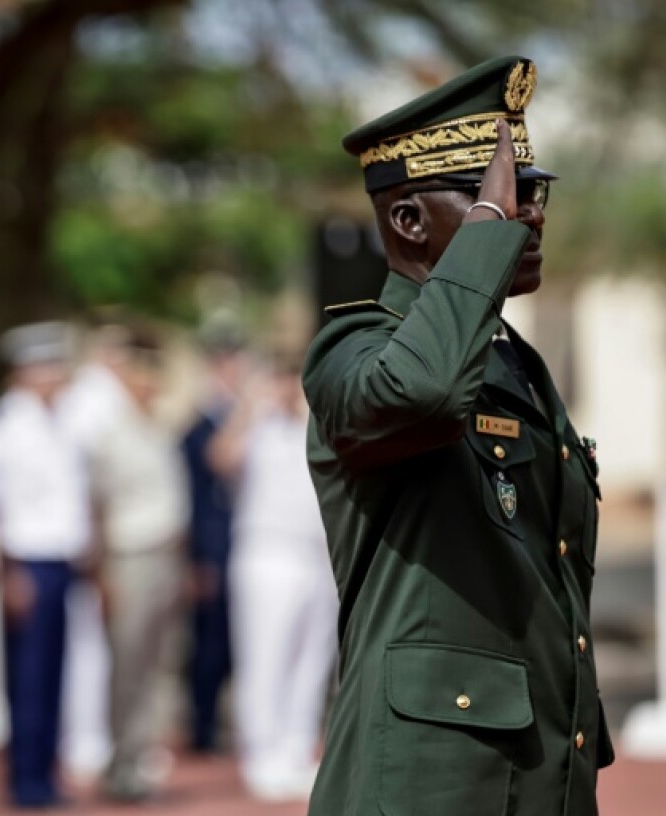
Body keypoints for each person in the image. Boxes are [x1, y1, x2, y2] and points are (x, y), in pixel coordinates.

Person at [303, 57, 612, 815]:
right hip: (428, 783)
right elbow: (427, 390)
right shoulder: (353, 353)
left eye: (532, 193)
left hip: (535, 772)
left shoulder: (516, 361)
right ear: (408, 221)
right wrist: (486, 233)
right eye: (499, 197)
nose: (528, 215)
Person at [209, 350, 337, 801]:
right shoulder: (253, 426)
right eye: (280, 378)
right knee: (266, 657)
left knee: (311, 660)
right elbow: (220, 458)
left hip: (315, 556)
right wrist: (251, 403)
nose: (287, 387)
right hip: (268, 552)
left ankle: (296, 749)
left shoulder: (312, 426)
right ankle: (261, 754)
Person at [0, 322, 90, 809]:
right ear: (25, 370)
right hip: (25, 561)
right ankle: (25, 778)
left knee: (57, 673)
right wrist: (7, 573)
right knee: (28, 675)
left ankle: (46, 769)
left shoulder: (61, 420)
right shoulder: (1, 425)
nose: (57, 373)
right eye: (48, 365)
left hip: (62, 560)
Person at [86, 325, 188, 802]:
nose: (151, 382)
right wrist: (103, 572)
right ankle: (120, 766)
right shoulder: (110, 429)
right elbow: (98, 508)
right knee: (127, 665)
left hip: (166, 554)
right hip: (129, 556)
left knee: (156, 665)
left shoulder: (156, 426)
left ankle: (141, 758)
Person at [180, 323, 248, 755]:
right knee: (207, 643)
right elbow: (196, 496)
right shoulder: (198, 428)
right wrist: (196, 559)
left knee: (233, 643)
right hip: (212, 547)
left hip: (243, 543)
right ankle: (201, 728)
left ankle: (218, 723)